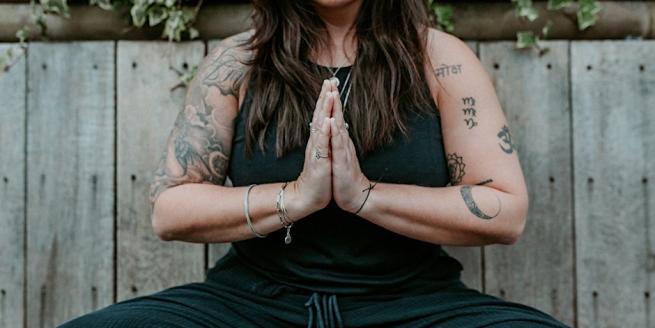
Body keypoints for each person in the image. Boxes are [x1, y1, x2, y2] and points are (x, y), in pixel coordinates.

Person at [60, 0, 570, 327]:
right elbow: (169, 209)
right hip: (251, 302)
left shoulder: (440, 59)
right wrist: (297, 197)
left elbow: (505, 210)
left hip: (412, 300)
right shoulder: (238, 63)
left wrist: (363, 196)